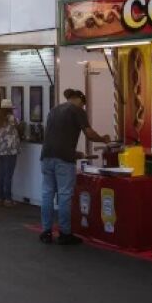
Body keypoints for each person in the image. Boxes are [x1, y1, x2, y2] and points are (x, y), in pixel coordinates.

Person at [39, 88, 110, 244]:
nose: (83, 107)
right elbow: (89, 134)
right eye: (83, 104)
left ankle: (46, 232)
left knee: (47, 194)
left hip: (46, 156)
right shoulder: (77, 110)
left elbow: (55, 138)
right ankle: (65, 233)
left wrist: (76, 154)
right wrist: (103, 139)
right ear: (79, 99)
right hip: (63, 160)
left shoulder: (54, 110)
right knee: (64, 196)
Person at [0, 99, 21, 206]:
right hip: (10, 150)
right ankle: (8, 199)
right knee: (8, 175)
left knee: (0, 173)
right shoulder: (11, 118)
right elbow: (19, 124)